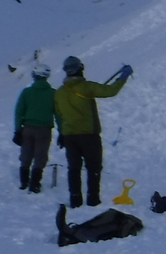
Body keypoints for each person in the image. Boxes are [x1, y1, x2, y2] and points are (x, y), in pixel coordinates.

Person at [54, 56, 131, 208]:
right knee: (93, 167)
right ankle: (93, 199)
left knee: (74, 168)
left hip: (69, 136)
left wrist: (62, 133)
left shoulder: (59, 93)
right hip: (89, 135)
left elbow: (59, 115)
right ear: (80, 68)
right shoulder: (86, 87)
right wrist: (124, 76)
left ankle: (75, 199)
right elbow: (110, 91)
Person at [13, 63, 56, 192]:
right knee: (40, 156)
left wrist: (17, 130)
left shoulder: (27, 92)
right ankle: (35, 184)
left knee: (26, 155)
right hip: (44, 129)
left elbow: (19, 112)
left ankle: (24, 182)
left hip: (27, 129)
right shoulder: (53, 93)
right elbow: (58, 114)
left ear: (34, 76)